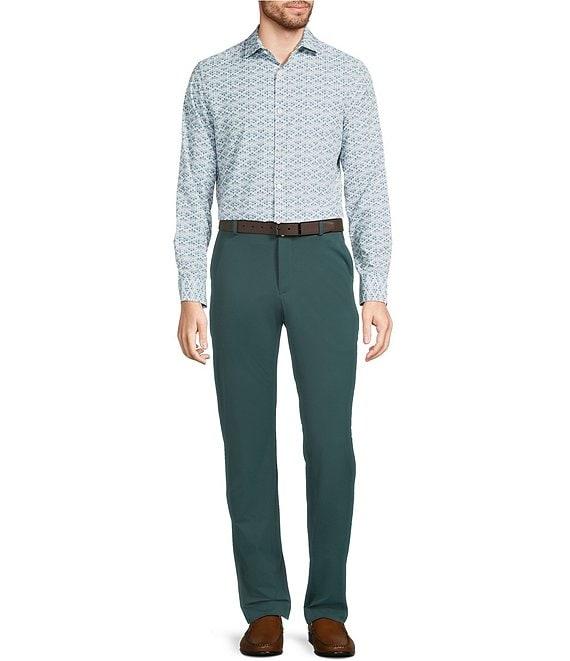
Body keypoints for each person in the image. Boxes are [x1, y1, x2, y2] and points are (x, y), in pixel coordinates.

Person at [174, 0, 392, 655]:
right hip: (238, 256)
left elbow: (369, 187)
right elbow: (192, 193)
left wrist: (375, 287)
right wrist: (190, 291)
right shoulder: (211, 77)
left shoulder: (349, 76)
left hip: (321, 257)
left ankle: (328, 607)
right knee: (246, 439)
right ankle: (264, 604)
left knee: (330, 441)